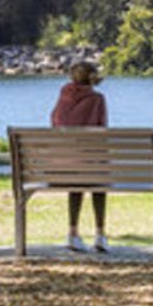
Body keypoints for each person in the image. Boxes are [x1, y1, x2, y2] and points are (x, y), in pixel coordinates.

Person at [50, 61, 109, 252]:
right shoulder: (97, 99)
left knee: (76, 174)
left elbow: (54, 122)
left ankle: (72, 233)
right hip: (87, 162)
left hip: (62, 166)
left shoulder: (63, 96)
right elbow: (102, 131)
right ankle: (100, 235)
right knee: (97, 177)